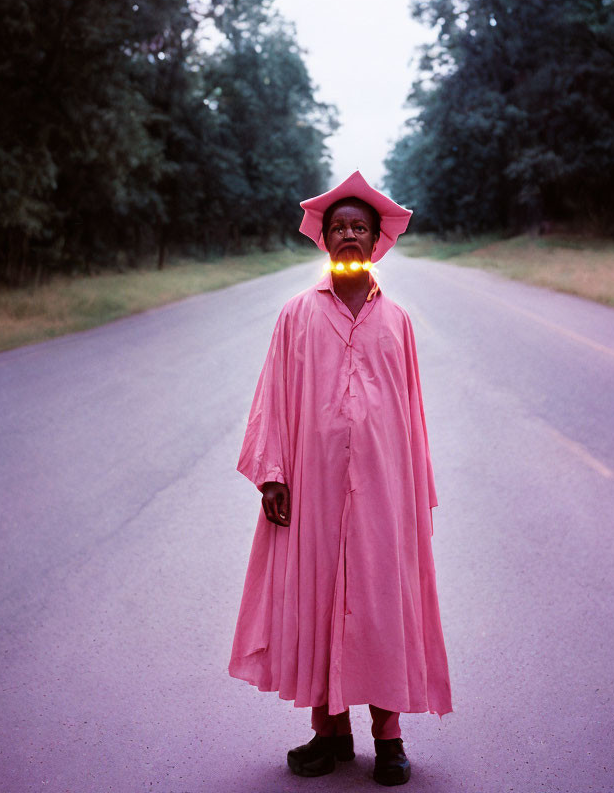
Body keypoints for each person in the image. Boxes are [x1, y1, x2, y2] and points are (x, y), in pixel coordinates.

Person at [228, 170, 452, 786]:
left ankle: (389, 739)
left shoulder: (398, 321)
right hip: (315, 488)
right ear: (324, 241)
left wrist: (415, 496)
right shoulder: (296, 316)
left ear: (376, 241)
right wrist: (273, 472)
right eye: (339, 227)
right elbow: (272, 397)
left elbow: (414, 416)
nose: (349, 235)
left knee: (381, 605)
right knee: (320, 597)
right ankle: (330, 736)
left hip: (383, 490)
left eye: (360, 227)